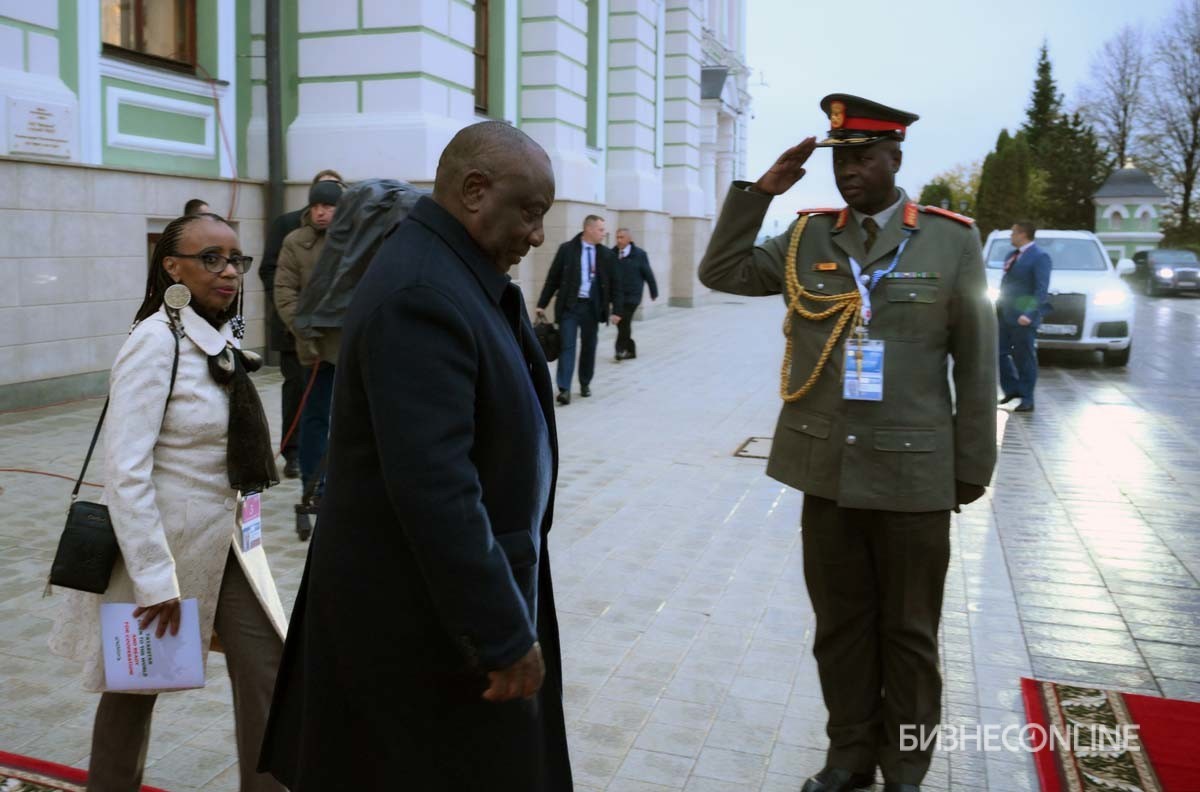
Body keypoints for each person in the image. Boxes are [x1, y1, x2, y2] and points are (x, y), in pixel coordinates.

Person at [259, 121, 572, 791]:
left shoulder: (455, 269)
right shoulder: (423, 293)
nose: (538, 234)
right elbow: (436, 488)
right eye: (531, 211)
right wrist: (501, 633)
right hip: (421, 629)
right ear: (474, 190)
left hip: (441, 613)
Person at [698, 94, 998, 792]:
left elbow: (978, 367)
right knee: (840, 629)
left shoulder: (952, 241)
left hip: (916, 479)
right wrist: (758, 194)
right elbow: (723, 273)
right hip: (828, 473)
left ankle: (907, 771)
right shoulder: (807, 238)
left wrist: (970, 470)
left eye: (864, 157)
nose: (850, 171)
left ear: (896, 157)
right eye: (841, 159)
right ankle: (849, 758)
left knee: (911, 637)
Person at [48, 213, 288, 792]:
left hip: (224, 543)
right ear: (171, 267)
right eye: (211, 259)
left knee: (269, 669)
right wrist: (155, 578)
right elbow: (124, 472)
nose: (228, 271)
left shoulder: (218, 336)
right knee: (135, 688)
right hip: (160, 551)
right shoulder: (154, 343)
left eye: (236, 259)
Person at [258, 168, 345, 478]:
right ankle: (311, 475)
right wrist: (301, 326)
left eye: (328, 206)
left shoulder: (355, 239)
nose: (321, 212)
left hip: (347, 346)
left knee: (348, 414)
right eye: (317, 206)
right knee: (312, 410)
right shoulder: (293, 238)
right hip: (309, 344)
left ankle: (342, 475)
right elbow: (282, 287)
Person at [536, 215, 622, 404]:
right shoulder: (567, 250)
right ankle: (564, 389)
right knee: (567, 345)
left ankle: (585, 383)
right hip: (570, 306)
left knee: (589, 347)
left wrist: (617, 310)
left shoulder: (607, 255)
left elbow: (615, 284)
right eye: (600, 229)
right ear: (588, 229)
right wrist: (542, 303)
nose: (603, 233)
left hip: (592, 308)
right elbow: (553, 278)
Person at [997, 220, 1051, 413]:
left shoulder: (1040, 257)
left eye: (1013, 233)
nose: (1011, 237)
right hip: (1004, 314)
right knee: (1000, 354)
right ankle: (1012, 390)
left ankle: (1027, 398)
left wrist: (1029, 313)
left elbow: (1041, 290)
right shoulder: (1012, 255)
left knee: (1024, 357)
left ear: (1023, 234)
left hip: (1023, 318)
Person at [612, 228, 658, 360]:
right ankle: (630, 349)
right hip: (618, 296)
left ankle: (620, 350)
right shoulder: (612, 253)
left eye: (622, 237)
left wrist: (653, 291)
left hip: (633, 296)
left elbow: (648, 274)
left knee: (624, 320)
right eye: (617, 237)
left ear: (629, 239)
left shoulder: (640, 254)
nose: (619, 240)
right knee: (623, 324)